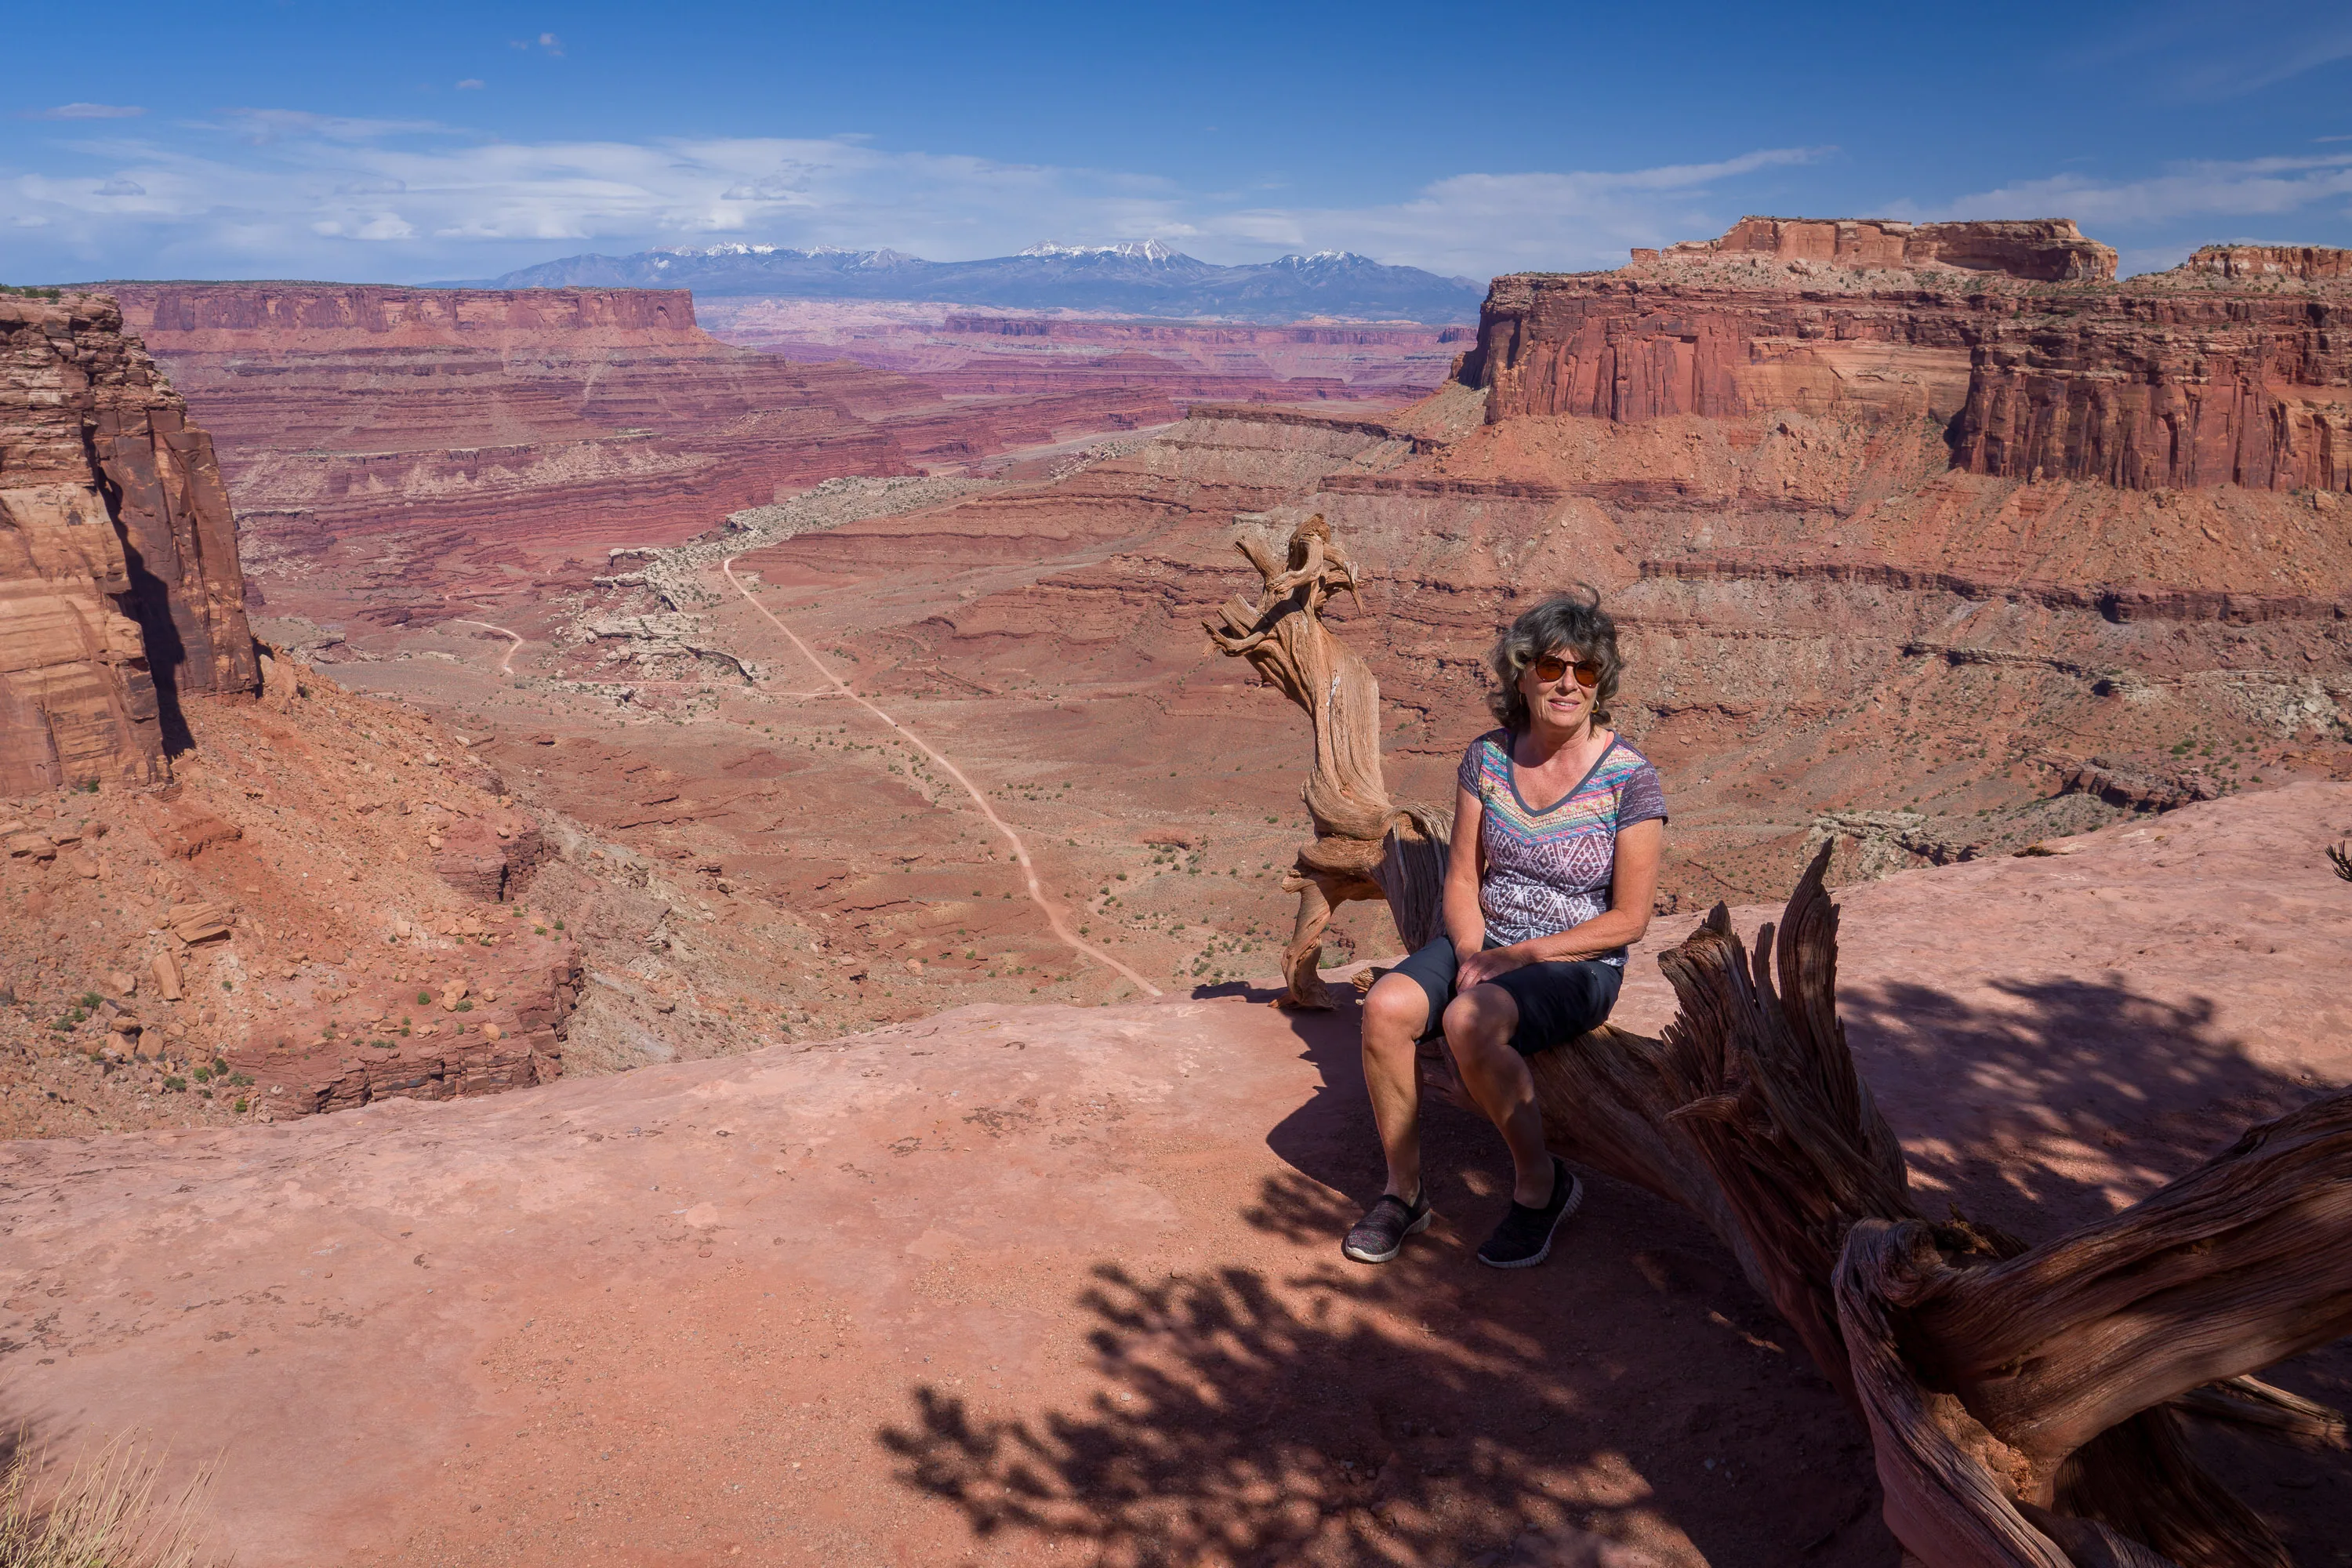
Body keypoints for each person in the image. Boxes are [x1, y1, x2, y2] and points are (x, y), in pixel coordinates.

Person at [1343, 589, 1666, 1269]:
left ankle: (1540, 1188)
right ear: (1522, 673)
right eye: (1552, 668)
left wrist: (1522, 955)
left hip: (1579, 959)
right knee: (1384, 1008)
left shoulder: (1630, 779)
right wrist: (1470, 952)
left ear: (1602, 680)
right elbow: (1462, 878)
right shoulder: (1487, 759)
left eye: (1585, 671)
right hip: (1487, 943)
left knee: (1468, 1023)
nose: (1568, 684)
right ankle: (1405, 1195)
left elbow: (1630, 920)